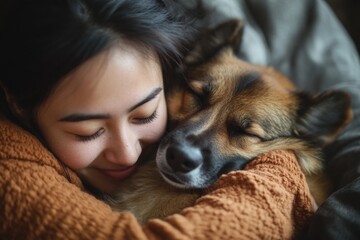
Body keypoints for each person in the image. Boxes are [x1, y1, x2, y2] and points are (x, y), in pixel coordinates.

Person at [0, 0, 354, 239]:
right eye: (87, 131)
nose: (126, 154)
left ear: (166, 79)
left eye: (146, 114)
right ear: (16, 104)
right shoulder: (15, 163)